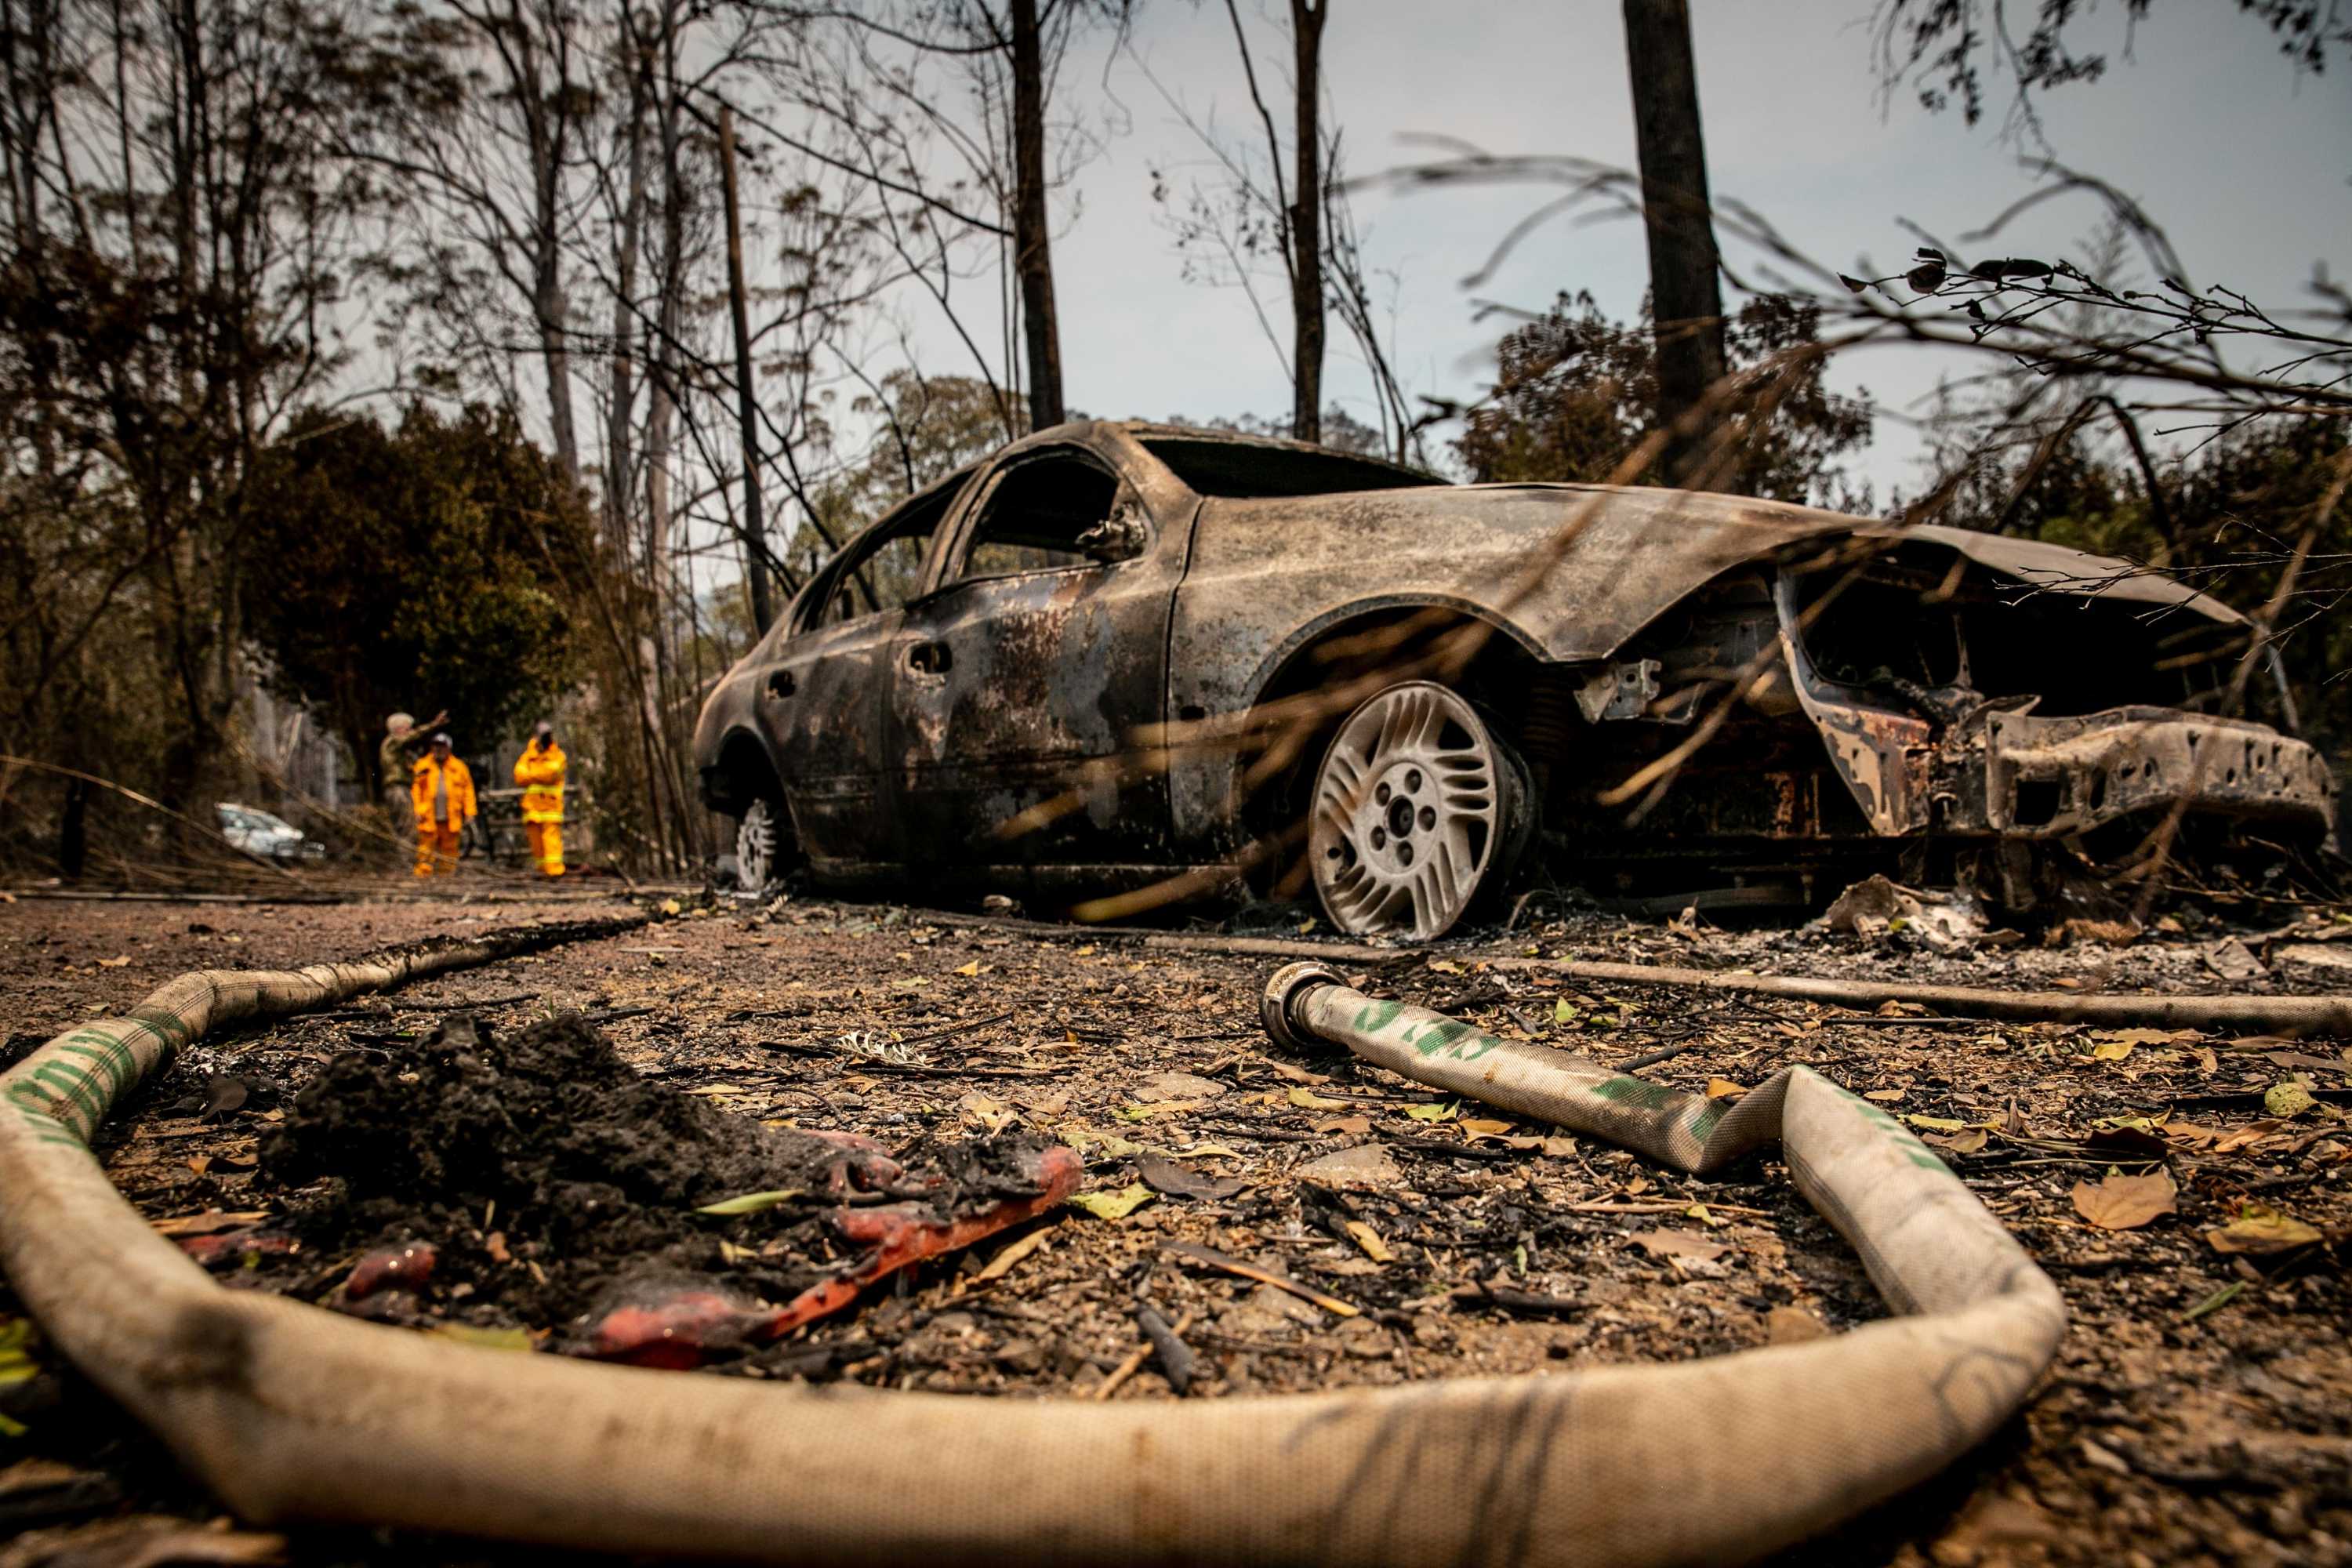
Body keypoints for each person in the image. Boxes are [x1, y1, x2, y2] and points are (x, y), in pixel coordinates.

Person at [410, 732, 477, 877]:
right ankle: (423, 878)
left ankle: (446, 879)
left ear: (449, 748)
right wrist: (416, 810)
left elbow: (468, 791)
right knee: (426, 849)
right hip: (428, 816)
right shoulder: (422, 766)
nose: (438, 750)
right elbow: (415, 790)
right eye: (435, 746)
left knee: (450, 850)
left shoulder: (459, 767)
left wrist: (470, 812)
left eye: (442, 746)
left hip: (451, 817)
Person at [512, 720, 567, 877]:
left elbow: (552, 773)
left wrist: (532, 774)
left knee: (552, 843)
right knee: (536, 844)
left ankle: (555, 873)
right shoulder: (527, 756)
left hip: (551, 807)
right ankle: (543, 873)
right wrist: (538, 774)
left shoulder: (558, 755)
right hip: (532, 808)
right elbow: (519, 776)